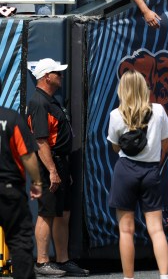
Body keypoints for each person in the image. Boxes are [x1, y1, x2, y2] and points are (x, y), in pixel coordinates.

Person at [26, 58, 89, 277]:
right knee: (47, 213)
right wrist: (52, 170)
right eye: (57, 73)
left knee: (63, 213)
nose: (61, 76)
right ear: (47, 77)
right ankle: (42, 262)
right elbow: (41, 141)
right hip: (48, 164)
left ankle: (62, 260)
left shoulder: (50, 100)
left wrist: (62, 169)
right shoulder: (39, 103)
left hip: (60, 162)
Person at [107, 70, 168, 279]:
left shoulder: (116, 115)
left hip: (125, 170)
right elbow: (166, 142)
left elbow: (115, 147)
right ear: (144, 88)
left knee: (126, 230)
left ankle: (128, 278)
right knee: (156, 229)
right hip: (151, 171)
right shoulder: (159, 110)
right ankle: (164, 276)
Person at [0, 107, 43, 279]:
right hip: (9, 190)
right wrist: (37, 182)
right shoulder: (11, 118)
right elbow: (27, 155)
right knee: (19, 241)